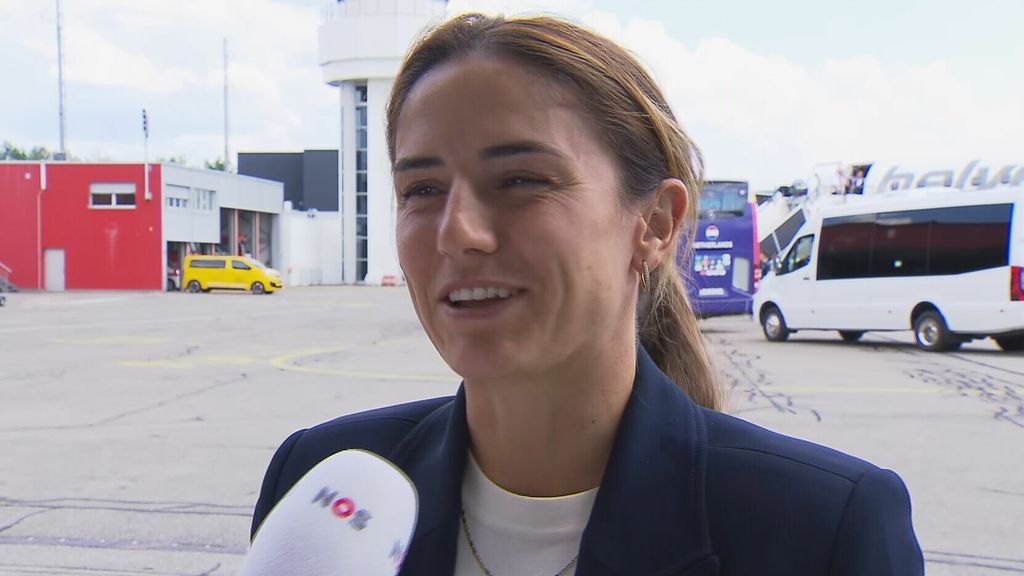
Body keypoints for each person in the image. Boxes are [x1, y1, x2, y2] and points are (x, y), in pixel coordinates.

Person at [251, 13, 923, 575]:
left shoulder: (823, 531)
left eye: (520, 180)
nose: (457, 233)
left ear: (655, 224)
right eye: (421, 189)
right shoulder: (317, 486)